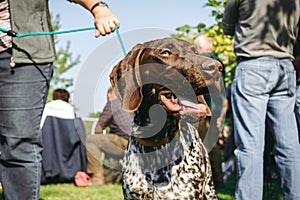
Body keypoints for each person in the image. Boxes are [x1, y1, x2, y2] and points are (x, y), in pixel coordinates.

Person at [0, 1, 119, 199]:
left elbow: (100, 125)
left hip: (20, 53)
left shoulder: (110, 105)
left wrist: (98, 7)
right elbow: (93, 126)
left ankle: (98, 176)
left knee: (19, 143)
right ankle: (95, 176)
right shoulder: (75, 112)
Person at [222, 1, 300, 199]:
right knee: (289, 145)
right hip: (285, 68)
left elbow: (227, 27)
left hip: (252, 66)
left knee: (250, 146)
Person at [194, 34, 224, 189]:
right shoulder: (218, 61)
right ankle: (219, 182)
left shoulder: (202, 61)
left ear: (199, 48)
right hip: (217, 110)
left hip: (203, 111)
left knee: (201, 148)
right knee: (214, 147)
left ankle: (205, 183)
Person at [86, 87, 133, 185]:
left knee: (91, 140)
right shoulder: (131, 105)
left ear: (109, 95)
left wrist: (101, 143)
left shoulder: (113, 103)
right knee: (109, 141)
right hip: (136, 144)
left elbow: (99, 128)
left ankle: (97, 177)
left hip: (124, 142)